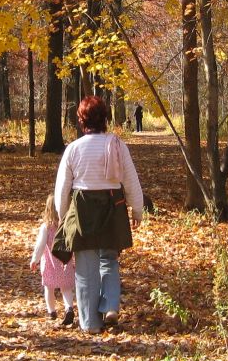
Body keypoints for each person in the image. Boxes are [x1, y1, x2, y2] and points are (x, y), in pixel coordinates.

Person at [54, 96, 143, 333]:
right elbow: (130, 180)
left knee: (85, 268)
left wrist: (63, 217)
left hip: (82, 210)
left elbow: (62, 187)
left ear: (82, 120)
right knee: (109, 260)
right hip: (112, 207)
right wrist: (137, 209)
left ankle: (91, 323)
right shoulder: (116, 144)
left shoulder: (73, 149)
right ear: (105, 118)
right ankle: (111, 305)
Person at [29, 197, 77, 326]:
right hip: (65, 263)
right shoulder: (67, 225)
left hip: (50, 265)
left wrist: (35, 259)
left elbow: (40, 245)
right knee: (66, 289)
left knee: (49, 288)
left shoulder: (46, 227)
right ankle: (69, 308)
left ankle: (52, 311)